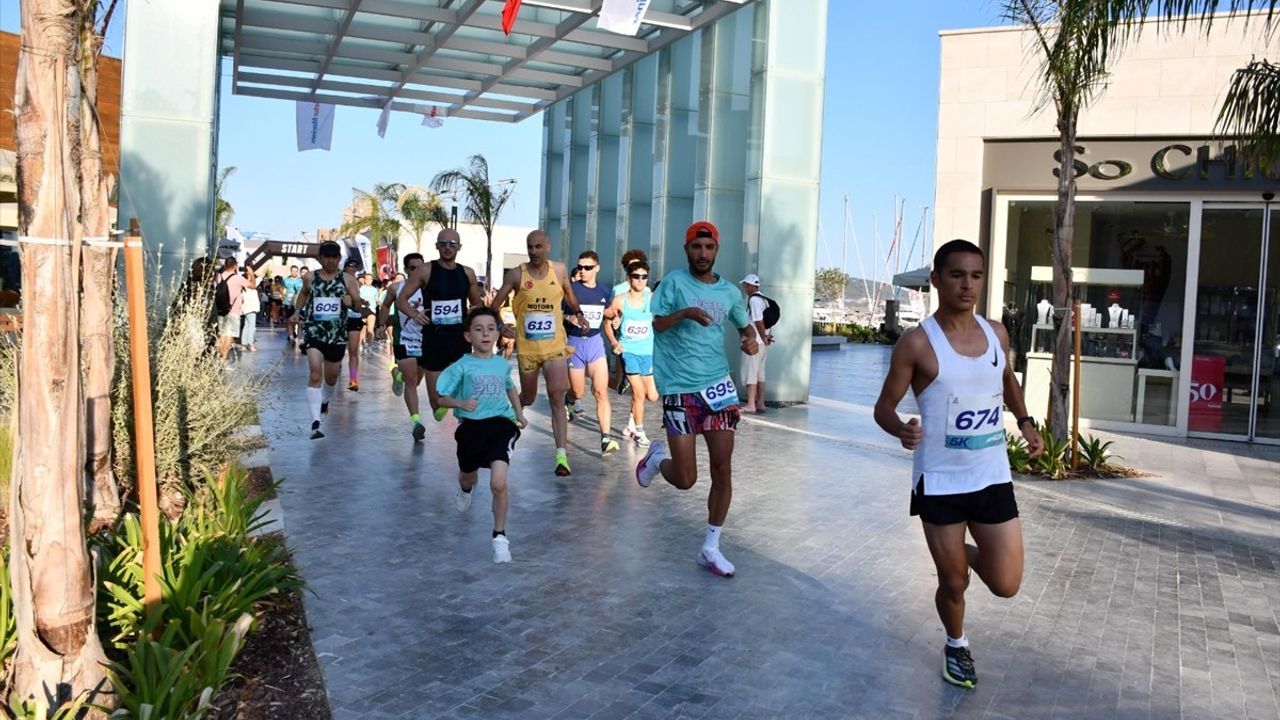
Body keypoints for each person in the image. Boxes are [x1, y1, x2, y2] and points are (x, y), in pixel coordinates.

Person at [873, 238, 1044, 690]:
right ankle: (955, 644)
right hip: (941, 482)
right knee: (954, 585)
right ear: (936, 280)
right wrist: (900, 429)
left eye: (976, 275)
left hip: (991, 477)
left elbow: (1004, 378)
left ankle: (958, 556)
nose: (968, 285)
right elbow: (883, 408)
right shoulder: (916, 344)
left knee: (1006, 583)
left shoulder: (996, 333)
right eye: (957, 275)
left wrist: (1024, 421)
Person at [635, 221, 759, 578]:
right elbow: (656, 324)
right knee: (686, 478)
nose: (702, 254)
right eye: (696, 247)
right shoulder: (674, 283)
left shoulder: (729, 293)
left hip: (718, 389)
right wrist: (686, 313)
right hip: (678, 390)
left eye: (708, 248)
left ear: (716, 250)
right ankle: (658, 460)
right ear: (687, 249)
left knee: (723, 467)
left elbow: (744, 327)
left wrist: (751, 340)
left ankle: (711, 547)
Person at [436, 307, 529, 564]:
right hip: (470, 430)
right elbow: (440, 397)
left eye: (491, 328)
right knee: (469, 475)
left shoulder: (501, 363)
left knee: (498, 483)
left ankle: (500, 537)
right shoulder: (461, 366)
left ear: (498, 334)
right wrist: (460, 403)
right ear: (468, 336)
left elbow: (510, 389)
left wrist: (519, 414)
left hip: (501, 425)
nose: (486, 334)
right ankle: (465, 489)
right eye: (479, 329)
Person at [398, 228, 485, 424]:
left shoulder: (467, 273)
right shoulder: (425, 270)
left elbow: (476, 303)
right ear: (436, 246)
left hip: (459, 339)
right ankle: (441, 406)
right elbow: (401, 299)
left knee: (465, 389)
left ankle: (467, 426)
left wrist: (475, 317)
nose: (448, 247)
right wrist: (414, 315)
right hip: (434, 340)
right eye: (443, 243)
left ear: (459, 247)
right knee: (436, 400)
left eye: (452, 244)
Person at [292, 242, 362, 439]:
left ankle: (325, 401)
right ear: (320, 258)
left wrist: (352, 302)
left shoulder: (347, 280)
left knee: (331, 378)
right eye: (326, 256)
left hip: (337, 335)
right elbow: (304, 294)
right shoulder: (310, 277)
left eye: (334, 257)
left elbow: (358, 307)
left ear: (339, 259)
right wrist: (298, 311)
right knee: (315, 374)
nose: (330, 260)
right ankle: (315, 422)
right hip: (314, 332)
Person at [563, 251, 618, 455]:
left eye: (587, 267)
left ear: (597, 268)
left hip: (595, 344)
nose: (582, 271)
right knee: (578, 392)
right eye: (580, 267)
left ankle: (606, 438)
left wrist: (615, 319)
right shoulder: (570, 290)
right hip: (574, 344)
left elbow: (608, 312)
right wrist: (570, 319)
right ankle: (569, 400)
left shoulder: (605, 290)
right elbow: (556, 312)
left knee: (601, 391)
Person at [603, 258, 656, 447]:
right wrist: (614, 342)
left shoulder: (651, 298)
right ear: (629, 278)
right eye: (636, 276)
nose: (640, 280)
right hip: (629, 352)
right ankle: (639, 431)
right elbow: (607, 320)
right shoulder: (620, 299)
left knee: (652, 396)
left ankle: (633, 419)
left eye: (644, 277)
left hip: (647, 352)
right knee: (639, 393)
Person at [380, 253, 429, 440]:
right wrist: (381, 325)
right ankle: (416, 422)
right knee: (411, 380)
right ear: (406, 269)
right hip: (404, 339)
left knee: (416, 381)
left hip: (425, 340)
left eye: (420, 267)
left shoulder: (430, 288)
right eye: (412, 268)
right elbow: (385, 306)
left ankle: (397, 374)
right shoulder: (396, 288)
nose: (417, 271)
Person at [739, 274, 773, 413]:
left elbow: (758, 320)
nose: (744, 288)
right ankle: (760, 403)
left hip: (755, 343)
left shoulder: (754, 300)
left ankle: (751, 404)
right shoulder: (764, 300)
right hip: (762, 344)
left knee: (751, 373)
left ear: (751, 285)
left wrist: (762, 337)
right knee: (760, 374)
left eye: (746, 285)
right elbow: (768, 321)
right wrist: (767, 337)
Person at [214, 257, 250, 362]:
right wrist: (251, 274)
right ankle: (223, 359)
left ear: (225, 265)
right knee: (229, 335)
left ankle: (220, 357)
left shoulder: (219, 276)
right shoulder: (238, 278)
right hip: (233, 310)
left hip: (220, 309)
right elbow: (252, 285)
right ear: (235, 265)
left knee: (221, 334)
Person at [343, 259, 371, 390]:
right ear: (345, 268)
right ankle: (334, 370)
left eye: (355, 267)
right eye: (351, 267)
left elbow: (356, 300)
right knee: (337, 350)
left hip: (354, 317)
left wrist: (362, 302)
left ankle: (353, 379)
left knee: (353, 350)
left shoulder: (358, 283)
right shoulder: (338, 280)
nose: (354, 269)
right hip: (339, 319)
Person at [239, 265, 261, 352]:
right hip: (251, 308)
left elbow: (260, 277)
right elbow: (259, 277)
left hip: (246, 308)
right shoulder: (250, 286)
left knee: (246, 325)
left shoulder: (243, 285)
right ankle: (250, 344)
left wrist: (251, 273)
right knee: (251, 326)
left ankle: (244, 343)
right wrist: (251, 273)